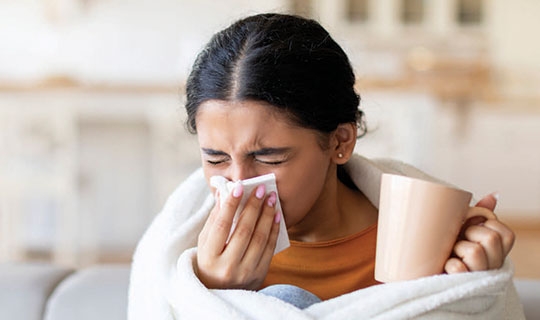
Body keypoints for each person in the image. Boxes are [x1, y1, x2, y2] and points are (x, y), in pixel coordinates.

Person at [184, 13, 515, 310]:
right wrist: (212, 295)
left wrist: (471, 290)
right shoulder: (190, 248)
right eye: (216, 159)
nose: (238, 183)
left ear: (340, 142)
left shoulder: (421, 240)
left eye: (269, 157)